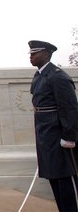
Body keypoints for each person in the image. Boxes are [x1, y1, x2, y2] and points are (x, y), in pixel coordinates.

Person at [29, 40, 78, 211]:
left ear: (47, 54)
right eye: (30, 53)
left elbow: (70, 108)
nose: (31, 56)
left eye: (35, 52)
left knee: (65, 178)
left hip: (59, 135)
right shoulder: (39, 76)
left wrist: (69, 137)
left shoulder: (58, 76)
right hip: (46, 135)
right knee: (54, 176)